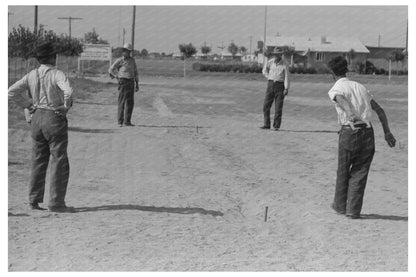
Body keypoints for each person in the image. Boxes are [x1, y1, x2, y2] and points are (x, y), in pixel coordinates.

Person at [8, 42, 75, 213]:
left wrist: (29, 105)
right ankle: (56, 203)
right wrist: (65, 107)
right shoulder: (57, 74)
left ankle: (34, 200)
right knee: (59, 160)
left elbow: (11, 92)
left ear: (39, 59)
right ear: (52, 58)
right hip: (54, 116)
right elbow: (68, 92)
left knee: (38, 160)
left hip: (37, 117)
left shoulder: (32, 74)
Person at [327, 56, 396, 219]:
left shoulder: (336, 88)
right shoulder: (360, 87)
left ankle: (339, 206)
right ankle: (353, 210)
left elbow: (340, 99)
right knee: (360, 172)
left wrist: (350, 113)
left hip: (350, 131)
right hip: (368, 132)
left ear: (332, 73)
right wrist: (387, 132)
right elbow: (379, 110)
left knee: (343, 169)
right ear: (346, 69)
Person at [109, 43, 139, 127]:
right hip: (123, 82)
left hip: (131, 82)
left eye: (128, 51)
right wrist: (115, 76)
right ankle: (120, 121)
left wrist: (137, 84)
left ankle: (127, 121)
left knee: (130, 102)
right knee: (121, 101)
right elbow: (111, 69)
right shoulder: (120, 60)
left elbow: (136, 72)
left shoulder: (132, 60)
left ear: (130, 52)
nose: (126, 52)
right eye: (125, 51)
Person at [260, 47, 290, 131]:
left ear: (281, 55)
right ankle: (266, 124)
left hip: (280, 86)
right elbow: (264, 71)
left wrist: (286, 88)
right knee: (266, 106)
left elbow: (287, 77)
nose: (277, 56)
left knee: (278, 107)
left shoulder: (285, 64)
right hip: (270, 84)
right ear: (274, 55)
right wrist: (269, 77)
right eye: (276, 54)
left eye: (279, 54)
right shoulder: (270, 62)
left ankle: (276, 126)